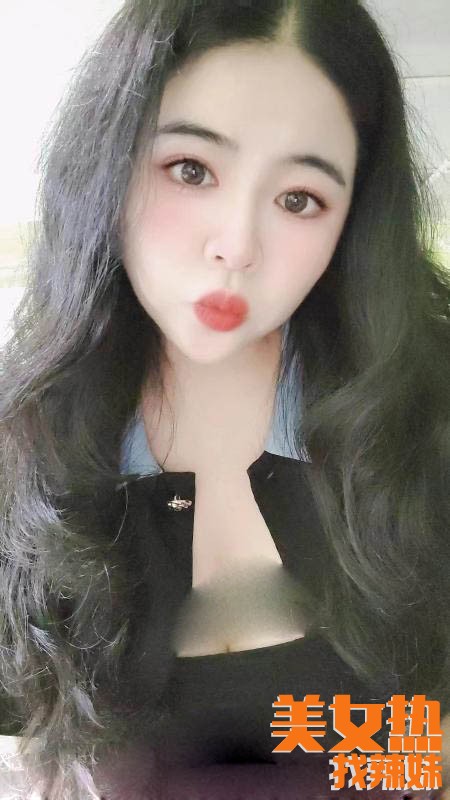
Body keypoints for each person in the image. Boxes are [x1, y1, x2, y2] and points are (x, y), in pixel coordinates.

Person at [0, 0, 449, 797]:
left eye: (299, 198)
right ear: (109, 162)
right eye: (191, 170)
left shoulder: (424, 411)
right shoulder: (27, 447)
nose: (237, 246)